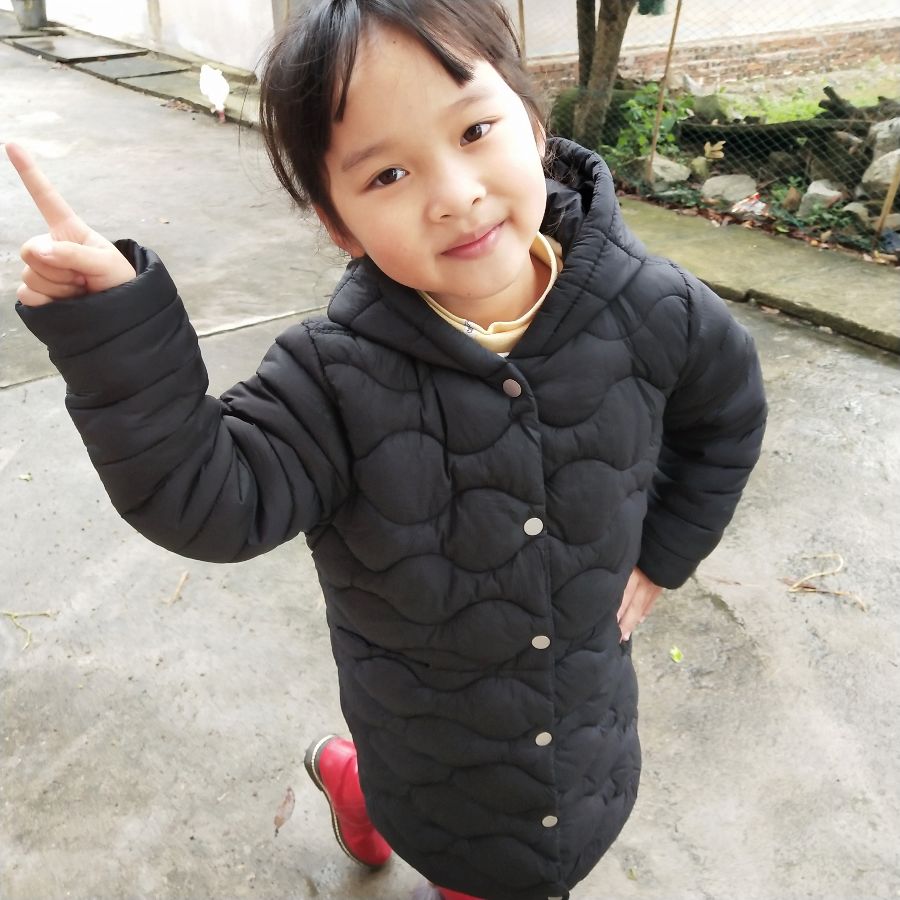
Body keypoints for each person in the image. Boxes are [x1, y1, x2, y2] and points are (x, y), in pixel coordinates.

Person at [6, 0, 767, 897]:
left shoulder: (657, 307)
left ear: (533, 125)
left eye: (475, 130)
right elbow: (209, 499)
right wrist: (115, 329)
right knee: (448, 822)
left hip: (582, 718)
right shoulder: (329, 377)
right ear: (339, 225)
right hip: (421, 724)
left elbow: (726, 420)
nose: (454, 193)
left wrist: (665, 553)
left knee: (419, 799)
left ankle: (349, 782)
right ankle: (362, 785)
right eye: (389, 173)